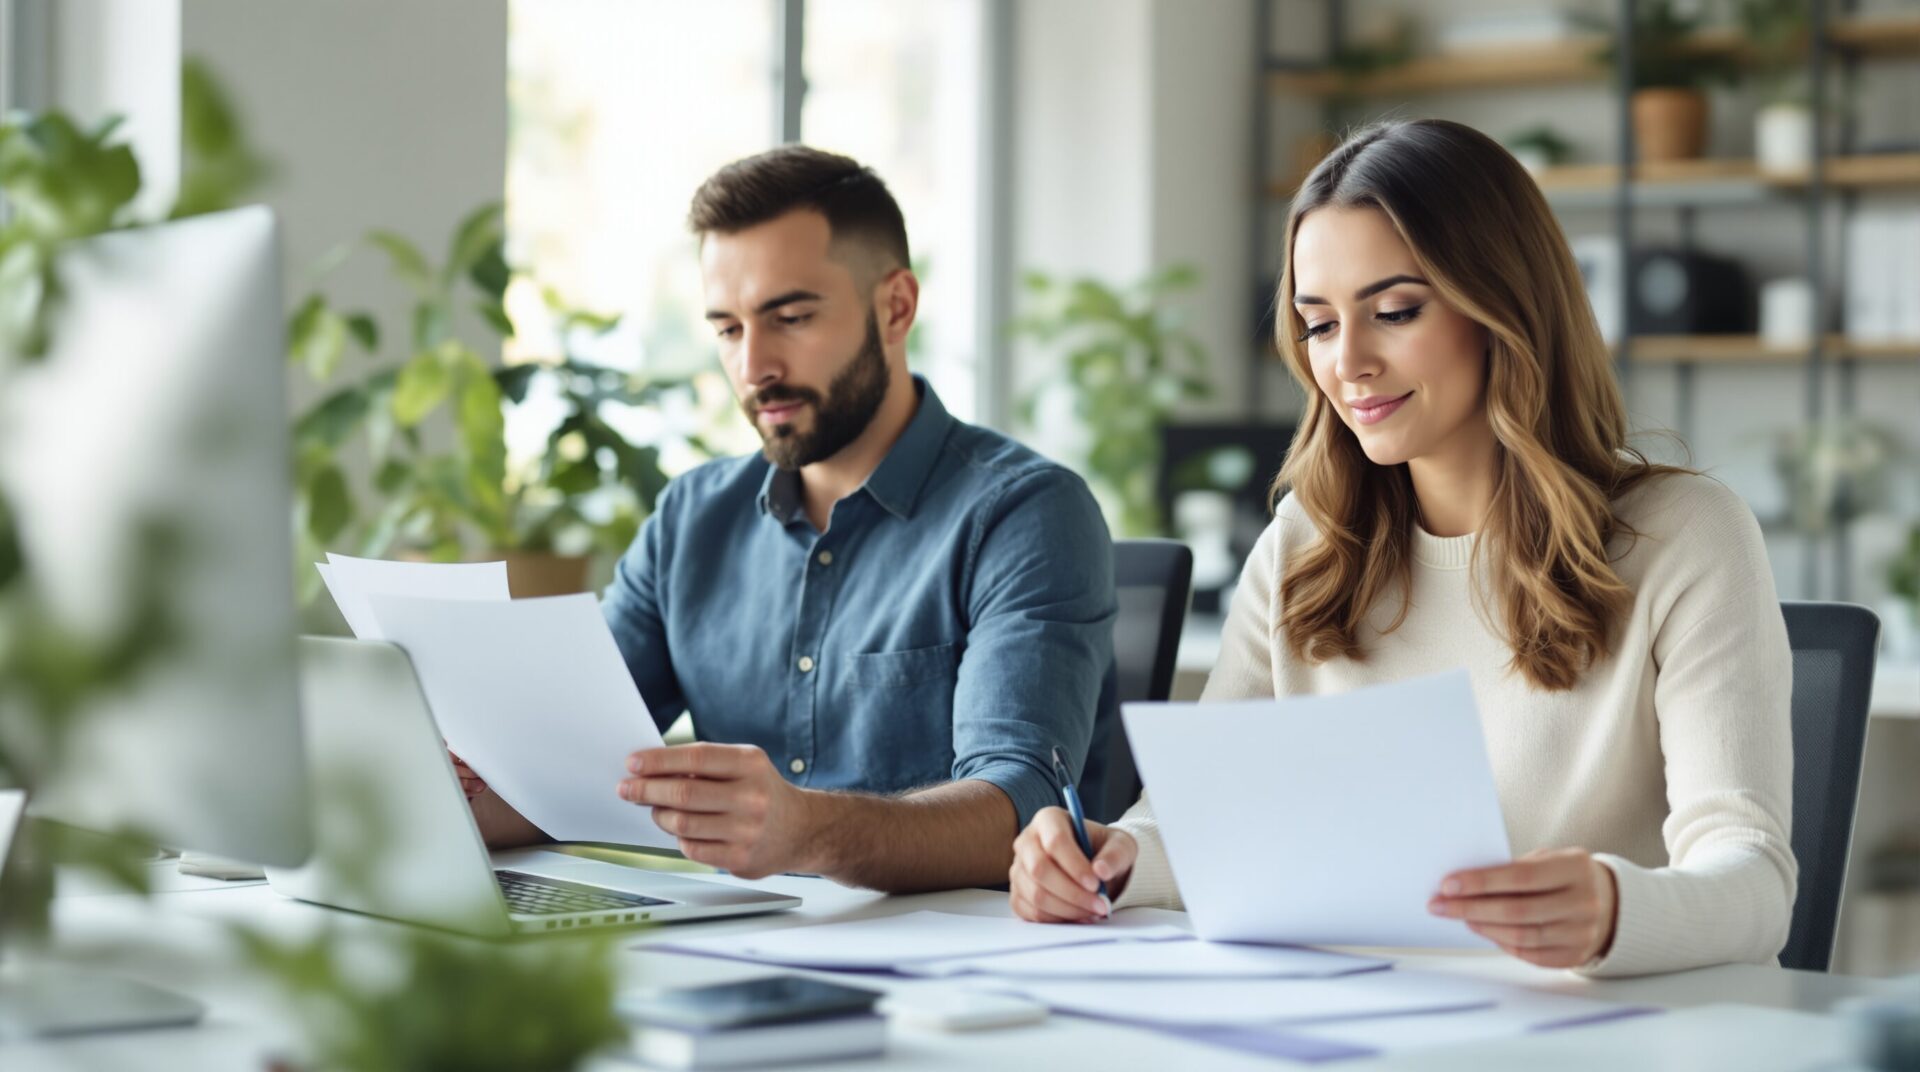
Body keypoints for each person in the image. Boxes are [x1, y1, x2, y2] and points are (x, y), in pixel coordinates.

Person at [1009, 118, 1797, 978]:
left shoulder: (1684, 535)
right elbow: (1197, 828)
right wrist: (1110, 858)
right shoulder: (1305, 543)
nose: (1347, 362)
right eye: (1318, 325)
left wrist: (1615, 911)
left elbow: (1754, 882)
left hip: (1594, 1025)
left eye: (1393, 312)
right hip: (1353, 1012)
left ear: (1504, 309)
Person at [463, 146, 1117, 893]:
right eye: (728, 329)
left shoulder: (1024, 514)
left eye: (792, 317)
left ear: (895, 307)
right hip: (727, 941)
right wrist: (450, 788)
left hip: (955, 951)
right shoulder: (688, 521)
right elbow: (564, 766)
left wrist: (805, 830)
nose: (754, 367)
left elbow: (1022, 807)